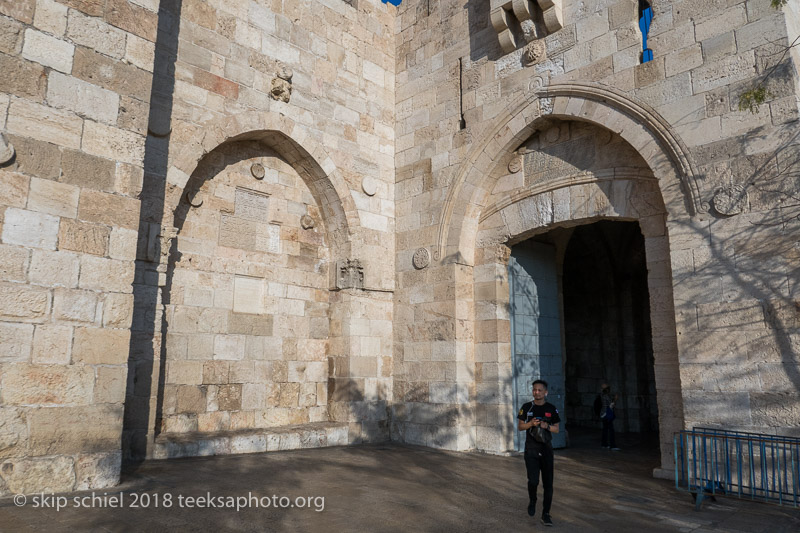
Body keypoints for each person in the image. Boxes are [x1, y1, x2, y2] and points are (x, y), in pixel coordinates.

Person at [517, 379, 560, 526]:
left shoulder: (552, 408)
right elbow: (520, 427)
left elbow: (557, 429)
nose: (537, 392)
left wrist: (545, 425)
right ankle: (533, 499)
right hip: (531, 451)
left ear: (545, 392)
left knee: (548, 484)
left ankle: (546, 514)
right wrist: (531, 424)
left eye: (540, 390)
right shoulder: (526, 407)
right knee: (533, 481)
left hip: (546, 451)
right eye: (535, 390)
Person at [600, 383, 620, 451]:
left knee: (605, 429)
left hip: (603, 414)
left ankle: (604, 444)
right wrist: (615, 399)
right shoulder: (606, 396)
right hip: (606, 414)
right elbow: (611, 405)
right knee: (611, 430)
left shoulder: (602, 395)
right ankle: (613, 445)